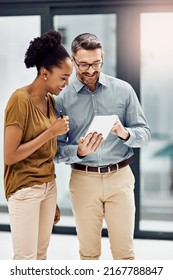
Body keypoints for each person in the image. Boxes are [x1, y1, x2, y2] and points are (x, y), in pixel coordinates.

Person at [55, 33, 151, 260]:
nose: (90, 70)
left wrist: (124, 133)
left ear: (103, 59)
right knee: (88, 254)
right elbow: (56, 151)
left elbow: (145, 135)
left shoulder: (124, 90)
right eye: (84, 64)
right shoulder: (62, 98)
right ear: (73, 59)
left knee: (124, 254)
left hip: (120, 178)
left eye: (96, 63)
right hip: (83, 179)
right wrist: (78, 151)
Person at [4, 30, 73, 260]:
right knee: (25, 258)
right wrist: (50, 132)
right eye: (63, 77)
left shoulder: (51, 101)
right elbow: (10, 156)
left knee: (41, 256)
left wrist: (51, 198)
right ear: (45, 73)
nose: (66, 83)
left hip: (47, 187)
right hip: (25, 189)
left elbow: (47, 153)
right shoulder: (19, 100)